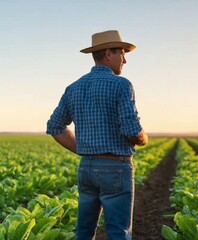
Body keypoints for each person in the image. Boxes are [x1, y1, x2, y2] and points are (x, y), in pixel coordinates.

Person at [46, 30, 148, 240]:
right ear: (109, 53)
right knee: (118, 233)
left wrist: (85, 150)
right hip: (115, 168)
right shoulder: (121, 84)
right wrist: (143, 138)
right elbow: (131, 130)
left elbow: (55, 126)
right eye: (121, 53)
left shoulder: (73, 87)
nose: (125, 60)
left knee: (83, 232)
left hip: (86, 168)